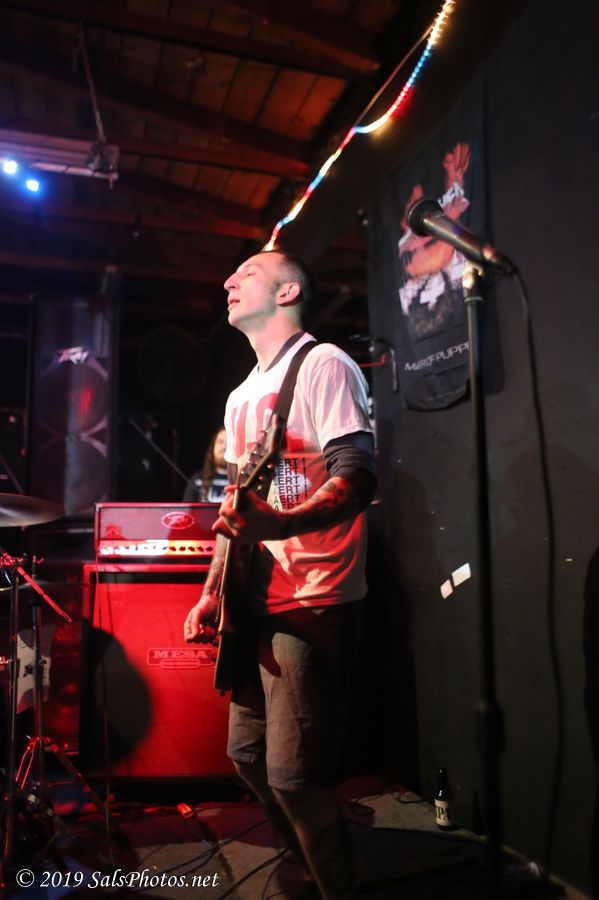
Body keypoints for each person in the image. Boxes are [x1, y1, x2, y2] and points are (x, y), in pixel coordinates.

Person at [184, 250, 377, 900]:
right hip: (254, 602)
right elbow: (235, 508)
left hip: (313, 600)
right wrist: (211, 592)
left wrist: (279, 524)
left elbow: (357, 477)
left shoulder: (324, 365)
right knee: (246, 757)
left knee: (296, 777)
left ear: (288, 291)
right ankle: (308, 865)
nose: (228, 280)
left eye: (247, 272)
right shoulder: (241, 396)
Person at [182, 426, 228, 503]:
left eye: (229, 443)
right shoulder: (197, 480)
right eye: (220, 442)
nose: (224, 447)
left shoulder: (243, 483)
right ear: (213, 448)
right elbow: (187, 509)